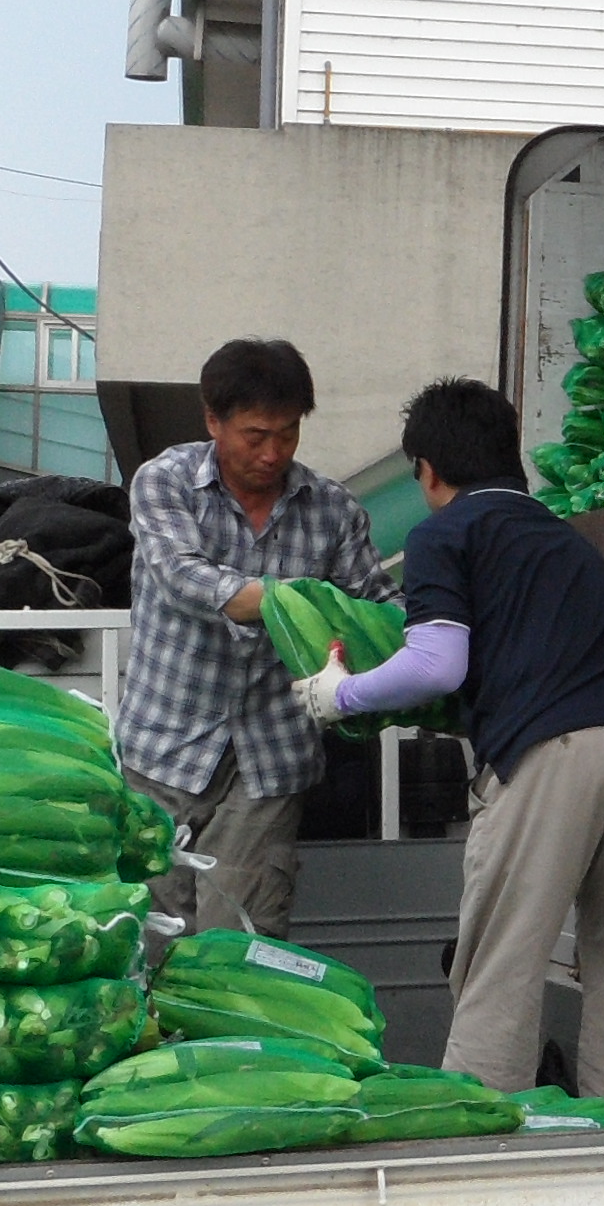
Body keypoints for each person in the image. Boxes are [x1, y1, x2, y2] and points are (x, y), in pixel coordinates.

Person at [292, 376, 604, 1120]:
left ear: (427, 472)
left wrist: (338, 695)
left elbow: (438, 664)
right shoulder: (564, 537)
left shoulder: (446, 533)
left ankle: (482, 1146)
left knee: (500, 965)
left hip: (556, 752)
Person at [111, 335, 396, 936]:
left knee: (238, 941)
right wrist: (294, 603)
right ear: (213, 421)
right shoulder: (163, 482)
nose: (272, 453)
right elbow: (181, 576)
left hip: (272, 757)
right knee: (148, 933)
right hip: (163, 747)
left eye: (288, 434)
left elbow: (378, 605)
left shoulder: (333, 509)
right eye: (255, 435)